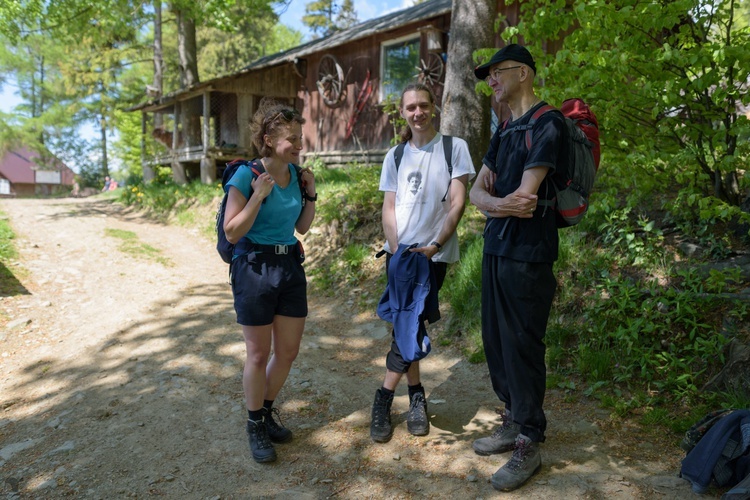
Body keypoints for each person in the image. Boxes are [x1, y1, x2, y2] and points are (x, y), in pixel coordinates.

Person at [468, 43, 568, 492]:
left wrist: (495, 203)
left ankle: (530, 436)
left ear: (523, 73)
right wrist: (494, 204)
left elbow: (527, 199)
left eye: (496, 72)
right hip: (497, 248)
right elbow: (476, 194)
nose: (490, 80)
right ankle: (512, 418)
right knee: (496, 340)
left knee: (523, 343)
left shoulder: (547, 123)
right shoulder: (506, 129)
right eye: (486, 75)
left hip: (529, 254)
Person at [370, 82, 475, 443]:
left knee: (410, 321)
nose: (417, 112)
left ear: (434, 108)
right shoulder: (395, 156)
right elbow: (388, 207)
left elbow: (458, 202)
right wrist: (398, 249)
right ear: (402, 112)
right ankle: (414, 397)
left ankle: (384, 398)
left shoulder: (454, 148)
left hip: (433, 255)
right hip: (399, 255)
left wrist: (434, 245)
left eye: (423, 105)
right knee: (407, 324)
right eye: (410, 107)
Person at [222, 98, 317, 464]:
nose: (299, 144)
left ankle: (264, 411)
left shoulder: (296, 175)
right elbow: (232, 232)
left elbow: (302, 227)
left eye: (299, 137)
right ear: (268, 138)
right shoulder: (246, 176)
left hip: (289, 266)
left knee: (288, 352)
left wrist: (310, 193)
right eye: (292, 138)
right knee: (258, 354)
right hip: (254, 269)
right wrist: (257, 197)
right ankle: (254, 424)